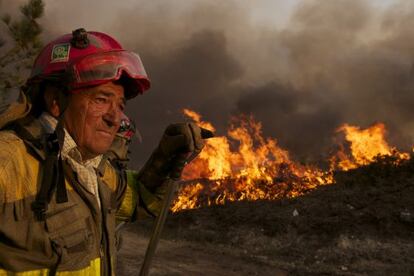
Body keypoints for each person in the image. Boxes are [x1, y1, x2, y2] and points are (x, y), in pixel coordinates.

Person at [0, 28, 210, 275]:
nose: (115, 118)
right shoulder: (10, 161)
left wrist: (164, 160)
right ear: (56, 100)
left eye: (120, 105)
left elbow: (135, 201)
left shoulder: (92, 168)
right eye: (101, 99)